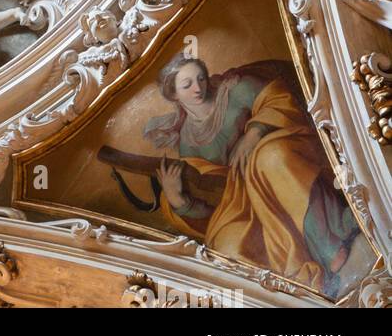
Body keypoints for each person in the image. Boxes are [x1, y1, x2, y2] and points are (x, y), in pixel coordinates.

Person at [135, 54, 364, 298]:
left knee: (268, 157)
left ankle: (330, 243)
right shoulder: (188, 143)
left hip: (282, 150)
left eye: (200, 78)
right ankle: (294, 290)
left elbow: (280, 98)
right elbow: (213, 197)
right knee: (224, 245)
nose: (198, 87)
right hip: (241, 197)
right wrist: (179, 201)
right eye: (187, 84)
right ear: (174, 95)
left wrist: (255, 133)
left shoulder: (234, 89)